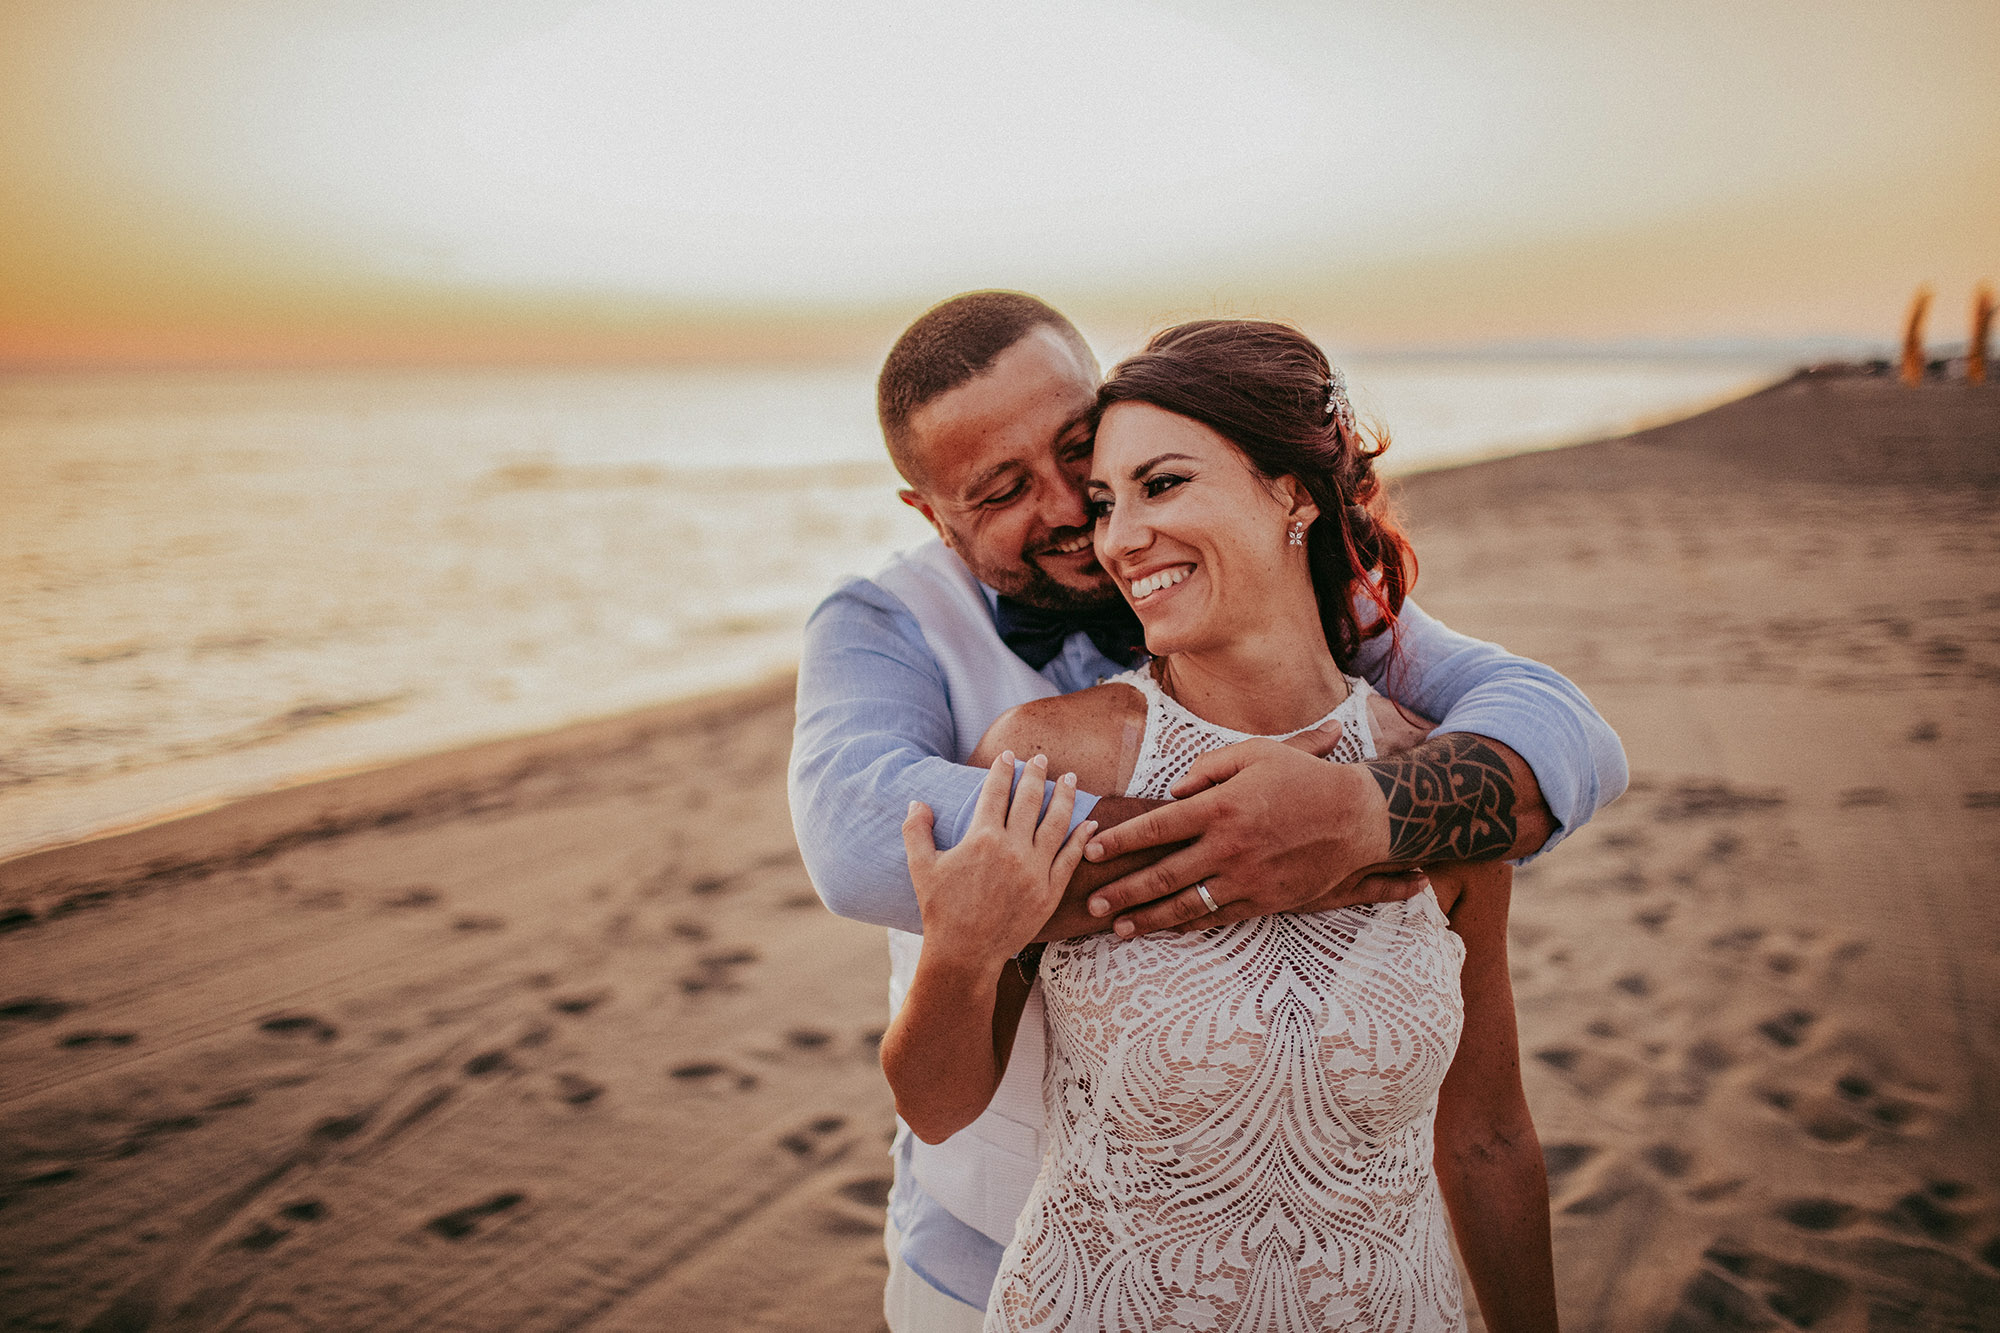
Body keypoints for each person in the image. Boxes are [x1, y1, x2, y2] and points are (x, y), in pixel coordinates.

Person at [787, 292, 1626, 1330]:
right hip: (995, 1264)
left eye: (1082, 460)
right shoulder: (896, 632)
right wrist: (1234, 842)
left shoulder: (1348, 645)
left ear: (1288, 498)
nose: (1080, 520)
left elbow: (1566, 736)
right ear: (928, 511)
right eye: (1004, 489)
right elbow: (852, 835)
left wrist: (1366, 815)